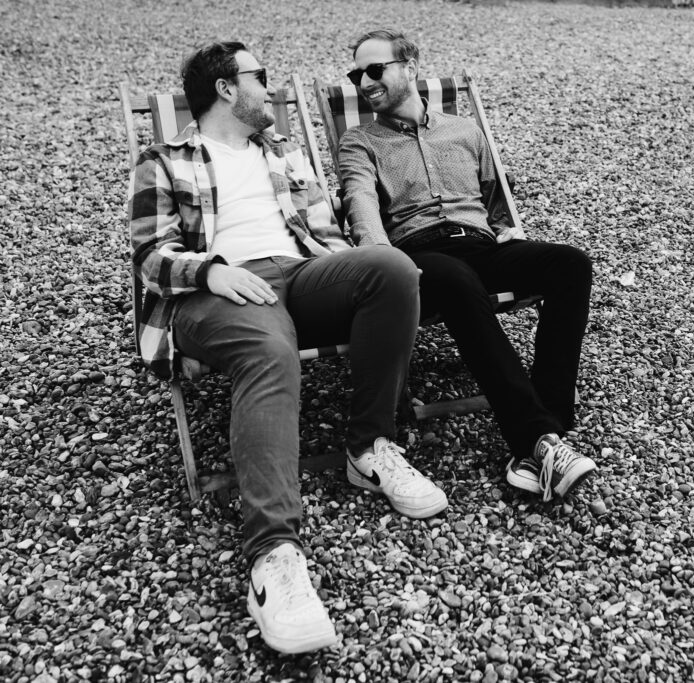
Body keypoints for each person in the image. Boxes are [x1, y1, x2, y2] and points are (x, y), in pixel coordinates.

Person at [127, 41, 448, 655]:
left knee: (392, 269)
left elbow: (322, 232)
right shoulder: (163, 161)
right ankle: (273, 555)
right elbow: (149, 256)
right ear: (226, 88)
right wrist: (212, 271)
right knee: (270, 351)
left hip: (296, 274)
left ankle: (369, 448)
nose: (270, 90)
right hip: (212, 291)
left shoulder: (283, 152)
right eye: (260, 77)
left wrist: (350, 270)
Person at [336, 29, 598, 504]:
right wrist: (381, 257)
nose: (364, 81)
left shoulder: (464, 130)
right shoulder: (360, 143)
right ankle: (536, 440)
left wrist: (505, 229)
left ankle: (549, 432)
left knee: (570, 265)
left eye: (375, 70)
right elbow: (361, 206)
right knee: (456, 279)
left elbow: (496, 200)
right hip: (418, 257)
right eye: (357, 74)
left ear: (410, 68)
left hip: (479, 246)